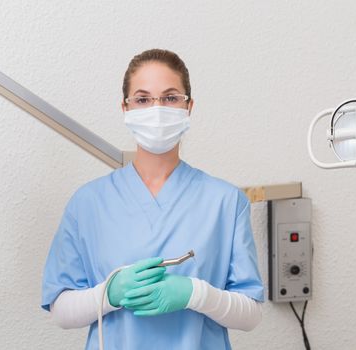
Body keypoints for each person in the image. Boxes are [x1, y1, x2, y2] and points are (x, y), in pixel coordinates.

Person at [41, 49, 264, 350]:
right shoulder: (88, 203)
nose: (157, 108)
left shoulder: (225, 201)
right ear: (125, 107)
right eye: (143, 99)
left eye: (170, 97)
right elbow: (60, 310)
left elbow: (250, 315)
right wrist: (109, 294)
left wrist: (195, 294)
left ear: (189, 107)